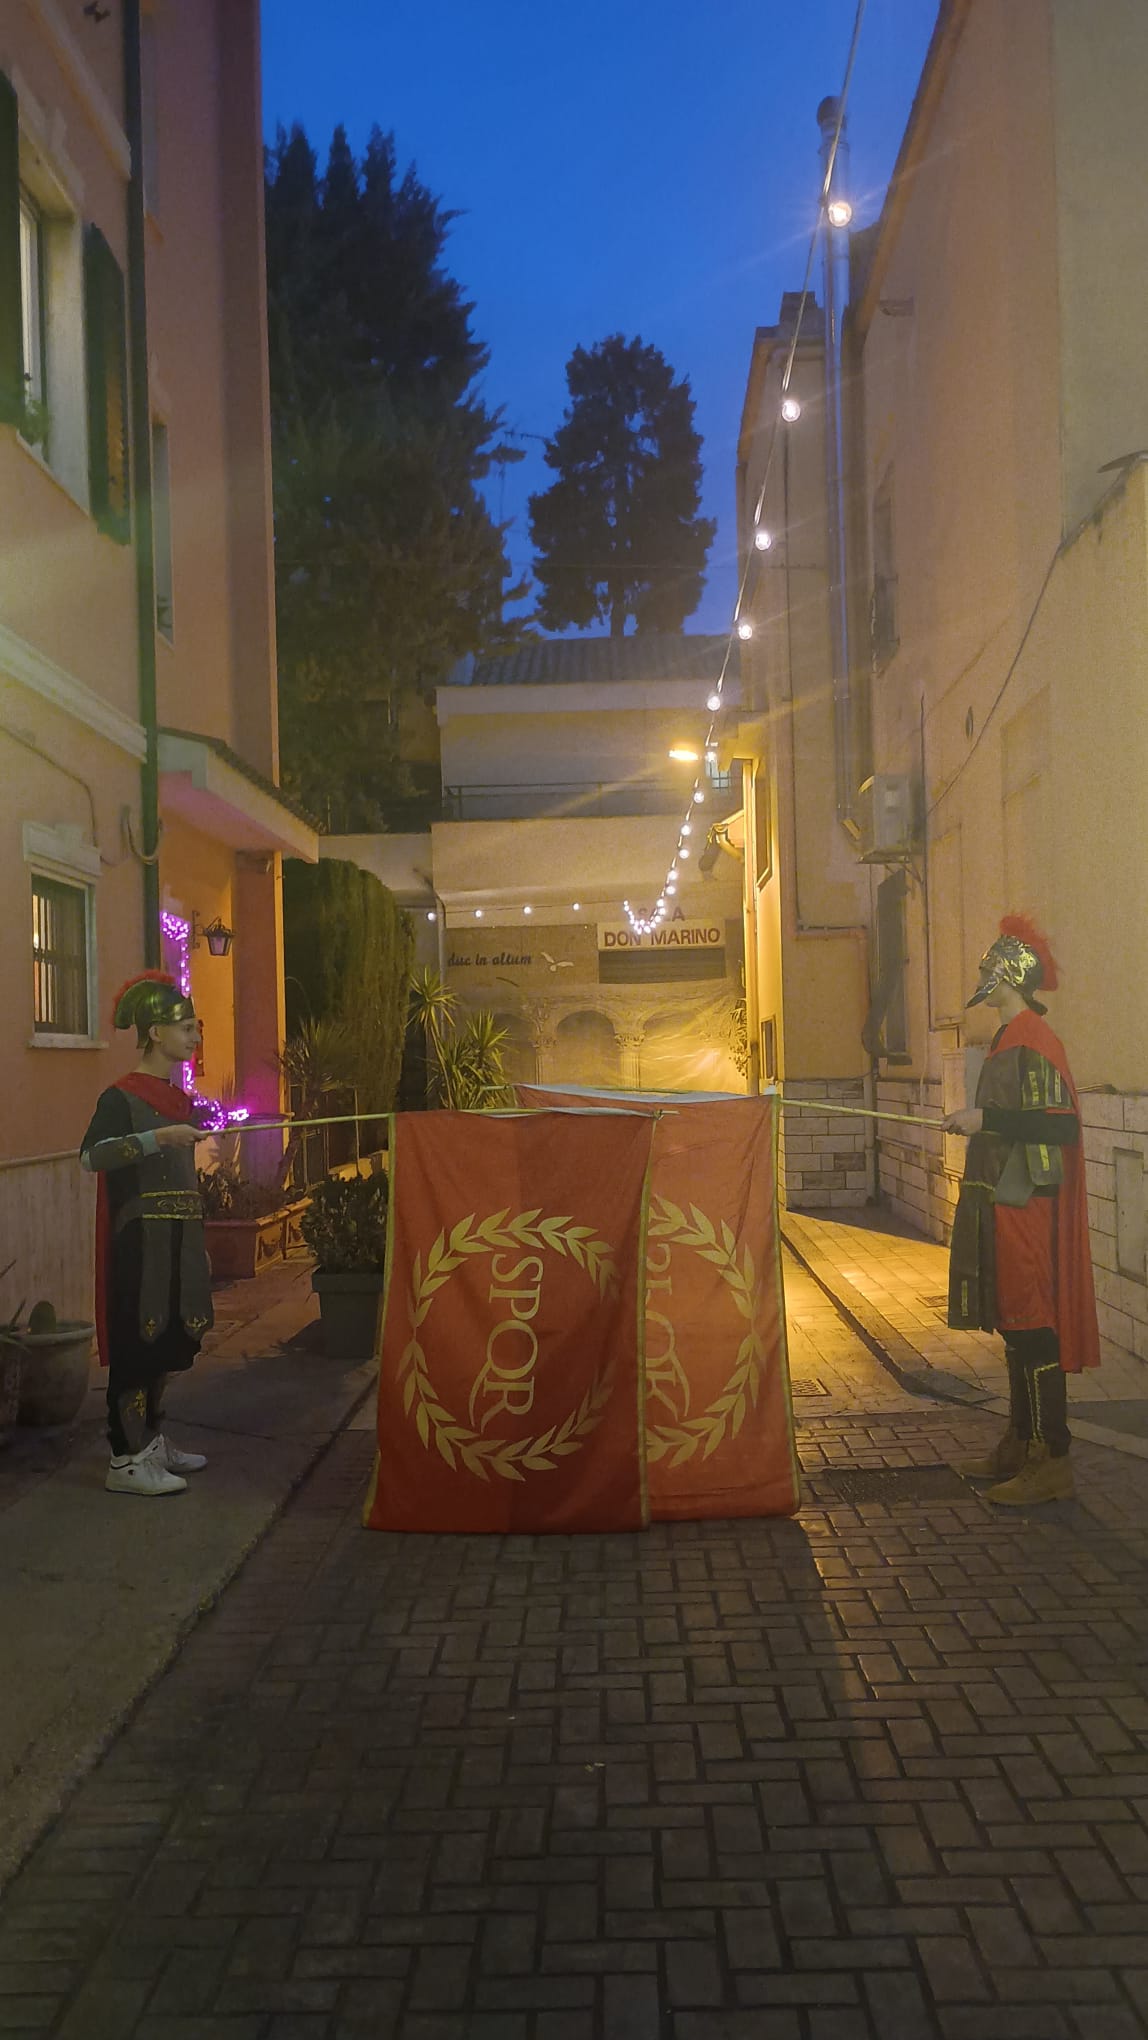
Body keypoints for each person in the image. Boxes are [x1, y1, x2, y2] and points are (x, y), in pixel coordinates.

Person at [945, 916, 1099, 1504]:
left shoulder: (1034, 1039)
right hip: (1003, 1202)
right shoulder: (1009, 1036)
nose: (982, 975)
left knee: (1033, 1327)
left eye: (989, 967)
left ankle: (1049, 1457)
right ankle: (1018, 1442)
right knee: (1014, 1325)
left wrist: (985, 1118)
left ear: (1008, 976)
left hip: (1028, 1205)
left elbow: (1059, 1126)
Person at [80, 972, 213, 1497]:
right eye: (186, 1028)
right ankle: (126, 1458)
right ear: (156, 1033)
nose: (195, 1037)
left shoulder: (176, 1097)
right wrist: (158, 1138)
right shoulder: (120, 1097)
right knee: (139, 1340)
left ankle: (152, 1440)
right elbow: (92, 1155)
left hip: (179, 1238)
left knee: (171, 1339)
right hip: (140, 1241)